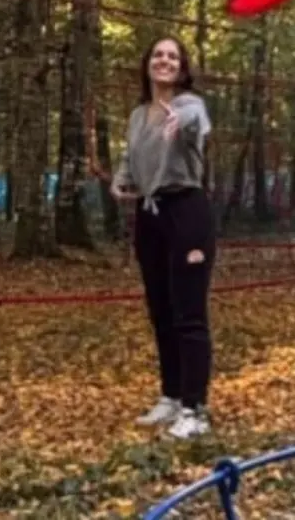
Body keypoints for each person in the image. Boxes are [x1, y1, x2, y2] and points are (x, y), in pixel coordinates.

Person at [110, 35, 216, 440]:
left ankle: (195, 409)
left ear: (182, 67)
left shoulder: (190, 105)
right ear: (148, 63)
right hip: (150, 214)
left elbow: (196, 126)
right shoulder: (139, 115)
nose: (165, 61)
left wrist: (180, 123)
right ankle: (171, 396)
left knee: (189, 313)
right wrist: (122, 179)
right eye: (158, 55)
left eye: (173, 56)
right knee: (161, 311)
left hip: (186, 211)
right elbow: (128, 158)